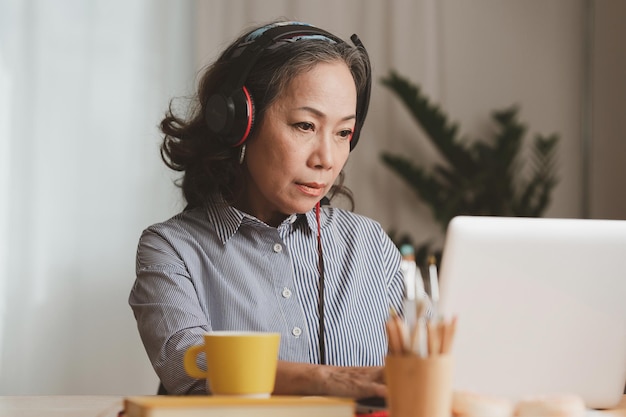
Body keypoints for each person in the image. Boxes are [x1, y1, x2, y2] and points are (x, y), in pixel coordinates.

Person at [129, 20, 404, 399]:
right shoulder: (171, 248)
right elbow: (190, 368)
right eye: (305, 125)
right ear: (239, 122)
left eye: (343, 133)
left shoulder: (370, 245)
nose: (327, 158)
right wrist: (329, 381)